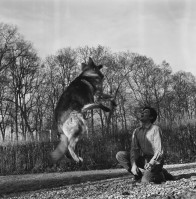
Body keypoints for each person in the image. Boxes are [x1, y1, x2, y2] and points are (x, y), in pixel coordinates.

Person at [116, 106, 174, 183]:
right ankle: (138, 176)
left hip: (156, 161)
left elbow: (159, 151)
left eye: (145, 112)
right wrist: (133, 165)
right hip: (144, 160)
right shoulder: (136, 131)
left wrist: (151, 163)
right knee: (120, 155)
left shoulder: (156, 129)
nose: (142, 113)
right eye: (142, 112)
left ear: (151, 117)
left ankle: (162, 174)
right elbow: (134, 150)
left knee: (146, 181)